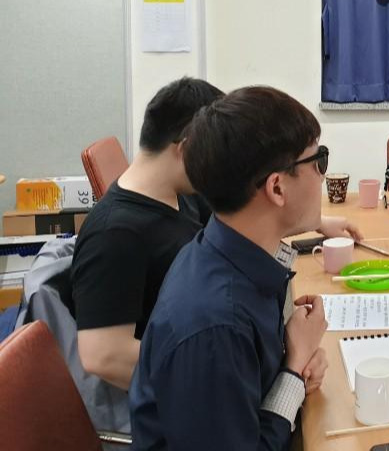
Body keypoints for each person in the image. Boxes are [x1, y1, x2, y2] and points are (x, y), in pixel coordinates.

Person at [130, 86, 349, 449]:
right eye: (318, 160)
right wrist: (294, 368)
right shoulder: (215, 327)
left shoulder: (225, 250)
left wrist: (290, 363)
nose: (323, 176)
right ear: (277, 188)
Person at [69, 77, 224, 391]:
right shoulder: (116, 235)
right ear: (187, 148)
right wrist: (216, 369)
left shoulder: (181, 191)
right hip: (178, 392)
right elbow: (103, 356)